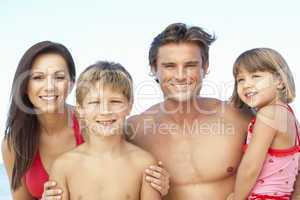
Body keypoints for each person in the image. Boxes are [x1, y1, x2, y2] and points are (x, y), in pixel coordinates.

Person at [1, 41, 167, 200]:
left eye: (59, 77)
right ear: (24, 85)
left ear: (71, 83)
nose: (49, 86)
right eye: (38, 77)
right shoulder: (15, 143)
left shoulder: (100, 125)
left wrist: (164, 183)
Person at [127, 23, 253, 199]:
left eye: (190, 65)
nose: (180, 75)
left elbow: (292, 162)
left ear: (205, 67)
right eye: (169, 66)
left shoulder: (240, 118)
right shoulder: (134, 131)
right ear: (154, 69)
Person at [49, 61, 161, 200]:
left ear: (130, 106)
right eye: (94, 102)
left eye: (115, 102)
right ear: (80, 109)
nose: (105, 111)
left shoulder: (144, 164)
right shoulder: (64, 166)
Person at [227, 48, 300, 200]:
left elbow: (250, 167)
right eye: (241, 79)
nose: (247, 84)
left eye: (256, 76)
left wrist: (237, 198)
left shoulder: (268, 115)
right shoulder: (291, 117)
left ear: (280, 81)